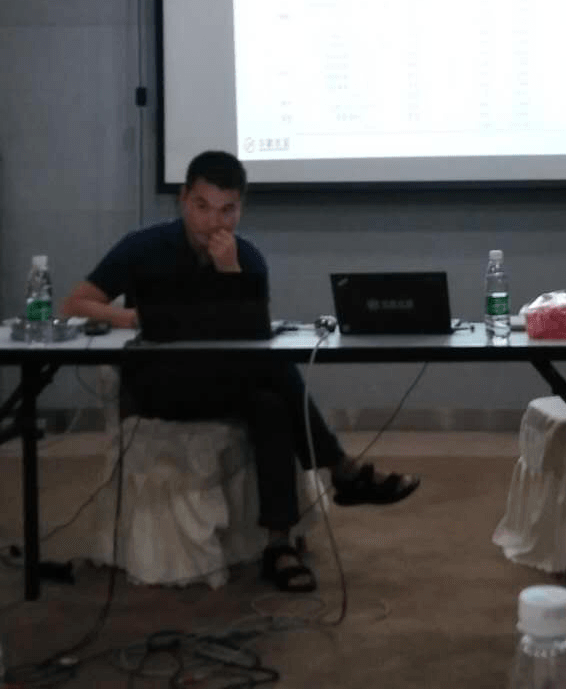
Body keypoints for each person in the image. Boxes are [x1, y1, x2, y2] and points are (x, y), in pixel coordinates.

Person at [62, 150, 418, 592]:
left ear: (240, 209)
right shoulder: (143, 246)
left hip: (224, 382)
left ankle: (279, 545)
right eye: (202, 206)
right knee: (277, 371)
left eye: (226, 210)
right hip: (158, 383)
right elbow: (74, 305)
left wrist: (230, 271)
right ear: (183, 199)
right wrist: (133, 318)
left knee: (271, 403)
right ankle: (341, 468)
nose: (213, 222)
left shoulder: (246, 257)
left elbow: (251, 334)